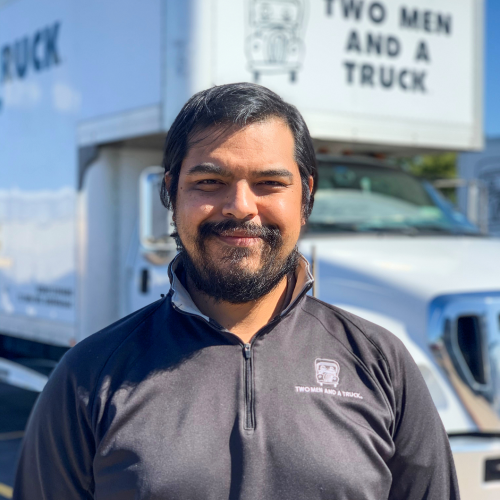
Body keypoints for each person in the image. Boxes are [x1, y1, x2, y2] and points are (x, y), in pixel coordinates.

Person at [14, 83, 460, 499]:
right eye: (209, 182)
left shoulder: (383, 363)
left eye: (269, 183)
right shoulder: (90, 377)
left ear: (305, 196)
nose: (241, 206)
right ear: (170, 193)